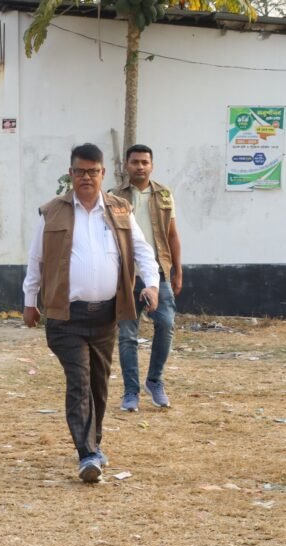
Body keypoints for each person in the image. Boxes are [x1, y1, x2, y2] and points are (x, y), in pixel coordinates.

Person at [22, 143, 160, 483]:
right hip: (65, 316)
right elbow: (36, 260)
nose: (86, 177)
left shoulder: (119, 210)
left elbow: (142, 250)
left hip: (106, 316)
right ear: (70, 174)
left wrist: (152, 283)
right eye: (80, 171)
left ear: (102, 174)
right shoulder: (52, 211)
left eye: (93, 172)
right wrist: (29, 300)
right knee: (80, 380)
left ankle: (94, 446)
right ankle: (86, 453)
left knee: (99, 383)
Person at [110, 144, 182, 411]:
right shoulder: (114, 197)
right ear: (126, 165)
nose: (140, 166)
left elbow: (172, 234)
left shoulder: (164, 195)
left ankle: (154, 381)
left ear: (151, 165)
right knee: (127, 334)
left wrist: (178, 269)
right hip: (126, 275)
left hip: (159, 272)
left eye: (144, 162)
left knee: (166, 324)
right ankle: (130, 391)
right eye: (135, 162)